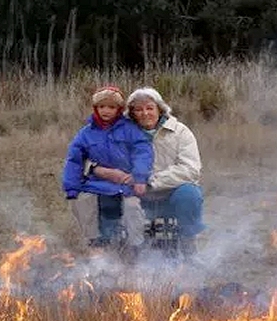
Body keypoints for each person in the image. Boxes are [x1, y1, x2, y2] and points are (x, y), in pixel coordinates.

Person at [91, 87, 205, 260]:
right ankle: (113, 252)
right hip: (133, 192)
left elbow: (190, 169)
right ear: (132, 113)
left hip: (170, 191)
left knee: (190, 193)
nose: (145, 113)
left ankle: (189, 246)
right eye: (138, 109)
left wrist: (149, 181)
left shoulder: (180, 132)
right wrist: (100, 169)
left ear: (160, 109)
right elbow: (93, 155)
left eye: (150, 108)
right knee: (104, 193)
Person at [61, 85, 153, 253]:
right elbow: (74, 160)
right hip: (96, 183)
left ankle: (136, 246)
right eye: (102, 107)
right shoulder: (86, 133)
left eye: (111, 107)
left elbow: (143, 153)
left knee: (133, 207)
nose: (106, 111)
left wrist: (139, 178)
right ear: (95, 108)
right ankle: (95, 243)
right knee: (82, 201)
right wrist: (71, 188)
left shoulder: (130, 129)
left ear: (119, 109)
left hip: (126, 183)